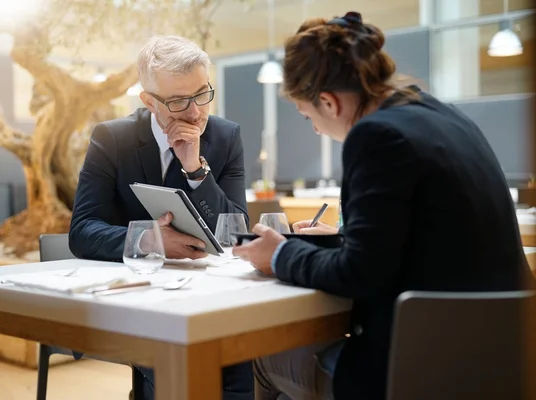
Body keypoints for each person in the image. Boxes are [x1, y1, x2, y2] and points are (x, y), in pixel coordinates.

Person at [232, 11, 534, 400]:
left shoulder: (376, 136)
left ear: (328, 102)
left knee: (265, 357)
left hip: (417, 369)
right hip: (505, 357)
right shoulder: (442, 115)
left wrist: (280, 255)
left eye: (308, 116)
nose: (315, 128)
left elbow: (360, 275)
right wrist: (344, 239)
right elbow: (420, 242)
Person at [69, 35, 252, 399]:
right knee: (176, 359)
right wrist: (150, 240)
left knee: (240, 362)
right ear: (149, 102)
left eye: (202, 94)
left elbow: (235, 231)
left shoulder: (225, 136)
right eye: (178, 101)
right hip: (137, 296)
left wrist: (195, 170)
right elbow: (82, 231)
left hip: (211, 292)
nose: (196, 112)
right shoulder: (113, 138)